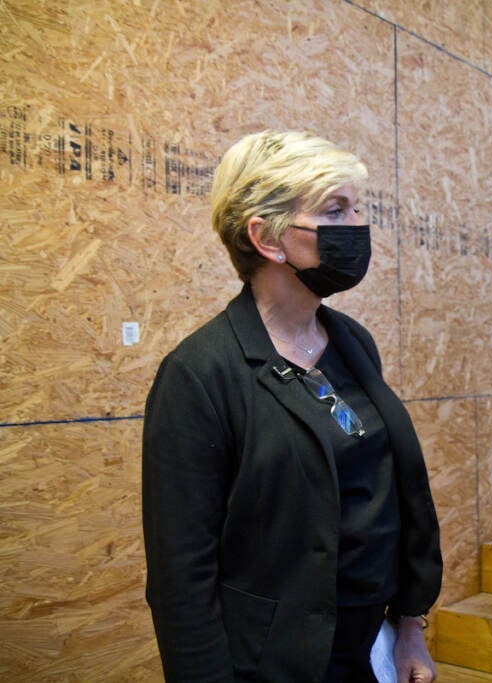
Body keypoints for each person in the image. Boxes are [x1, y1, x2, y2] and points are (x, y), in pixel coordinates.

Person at [142, 131, 443, 682]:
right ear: (267, 238)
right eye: (336, 210)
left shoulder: (352, 341)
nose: (358, 226)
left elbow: (386, 499)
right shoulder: (199, 374)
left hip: (371, 650)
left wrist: (408, 628)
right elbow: (180, 580)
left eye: (359, 208)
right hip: (276, 666)